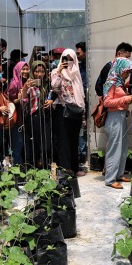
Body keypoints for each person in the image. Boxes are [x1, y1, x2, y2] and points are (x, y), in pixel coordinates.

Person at [50, 48, 86, 176]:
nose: (69, 62)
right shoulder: (55, 72)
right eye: (66, 59)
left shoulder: (76, 74)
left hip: (75, 110)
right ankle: (66, 170)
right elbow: (55, 88)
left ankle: (75, 169)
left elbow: (81, 96)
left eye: (71, 59)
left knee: (74, 141)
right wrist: (59, 72)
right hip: (63, 110)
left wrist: (83, 117)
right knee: (64, 141)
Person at [103, 58, 132, 189]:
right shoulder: (111, 82)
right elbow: (107, 102)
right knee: (115, 148)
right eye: (126, 72)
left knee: (123, 147)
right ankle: (110, 179)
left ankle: (119, 174)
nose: (127, 75)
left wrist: (125, 106)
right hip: (114, 118)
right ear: (120, 69)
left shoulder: (119, 82)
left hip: (120, 117)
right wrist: (125, 99)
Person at [22, 60, 52, 168]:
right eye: (37, 71)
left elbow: (54, 94)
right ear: (32, 72)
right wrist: (26, 87)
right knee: (36, 143)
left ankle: (45, 166)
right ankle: (34, 167)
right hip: (34, 116)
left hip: (46, 116)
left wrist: (51, 101)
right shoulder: (29, 84)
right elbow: (23, 98)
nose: (39, 74)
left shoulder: (47, 84)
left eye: (42, 71)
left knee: (46, 143)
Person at [7, 61, 30, 166]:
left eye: (27, 69)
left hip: (24, 118)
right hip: (16, 120)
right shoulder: (14, 84)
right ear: (17, 70)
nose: (25, 71)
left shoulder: (26, 82)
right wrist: (19, 99)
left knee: (24, 143)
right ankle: (17, 167)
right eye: (23, 69)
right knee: (18, 143)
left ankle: (23, 165)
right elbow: (9, 102)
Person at [75, 42, 88, 166]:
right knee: (82, 129)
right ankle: (82, 155)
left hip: (88, 100)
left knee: (85, 128)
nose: (77, 55)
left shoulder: (89, 67)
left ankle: (83, 154)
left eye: (79, 53)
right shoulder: (78, 68)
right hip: (81, 101)